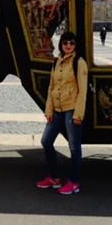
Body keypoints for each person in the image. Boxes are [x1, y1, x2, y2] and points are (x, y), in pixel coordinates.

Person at [37, 31, 88, 195]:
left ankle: (73, 182)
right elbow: (51, 88)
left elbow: (83, 91)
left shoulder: (79, 62)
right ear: (61, 44)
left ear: (75, 45)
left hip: (71, 108)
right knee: (46, 141)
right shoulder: (56, 62)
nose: (68, 46)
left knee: (74, 147)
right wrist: (48, 110)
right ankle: (54, 178)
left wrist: (78, 114)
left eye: (71, 43)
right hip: (57, 109)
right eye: (65, 43)